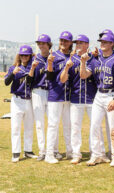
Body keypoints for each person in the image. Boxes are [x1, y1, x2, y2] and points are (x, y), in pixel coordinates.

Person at [80, 32, 114, 167]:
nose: (102, 44)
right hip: (99, 95)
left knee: (113, 127)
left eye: (105, 42)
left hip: (112, 94)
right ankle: (96, 155)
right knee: (94, 125)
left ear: (112, 43)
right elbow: (83, 75)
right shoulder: (95, 59)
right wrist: (82, 62)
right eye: (101, 42)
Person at [59, 34, 98, 164]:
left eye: (82, 43)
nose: (79, 45)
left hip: (92, 98)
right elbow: (62, 79)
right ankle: (76, 154)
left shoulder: (93, 58)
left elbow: (84, 75)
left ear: (87, 44)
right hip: (75, 98)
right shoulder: (72, 59)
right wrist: (66, 67)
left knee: (95, 127)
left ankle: (95, 153)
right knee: (75, 128)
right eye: (77, 43)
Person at [4, 45, 37, 162]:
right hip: (17, 100)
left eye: (26, 55)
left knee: (29, 127)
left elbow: (31, 80)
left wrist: (32, 68)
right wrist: (13, 73)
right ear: (19, 55)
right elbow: (6, 82)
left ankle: (28, 151)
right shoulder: (14, 67)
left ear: (30, 56)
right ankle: (16, 152)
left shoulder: (32, 67)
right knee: (16, 127)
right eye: (22, 55)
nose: (24, 57)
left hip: (29, 100)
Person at [45, 31, 73, 164]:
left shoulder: (73, 56)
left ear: (70, 43)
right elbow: (49, 77)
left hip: (68, 96)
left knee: (68, 126)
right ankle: (49, 154)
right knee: (53, 125)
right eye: (61, 40)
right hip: (55, 95)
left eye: (66, 40)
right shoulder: (53, 56)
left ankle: (70, 151)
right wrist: (50, 63)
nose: (63, 43)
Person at [27, 34, 53, 161]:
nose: (41, 45)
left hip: (51, 92)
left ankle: (53, 150)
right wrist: (32, 68)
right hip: (37, 91)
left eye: (43, 43)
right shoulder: (34, 59)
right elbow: (29, 79)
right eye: (39, 43)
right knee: (39, 123)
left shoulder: (54, 57)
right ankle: (42, 151)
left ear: (49, 44)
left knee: (52, 123)